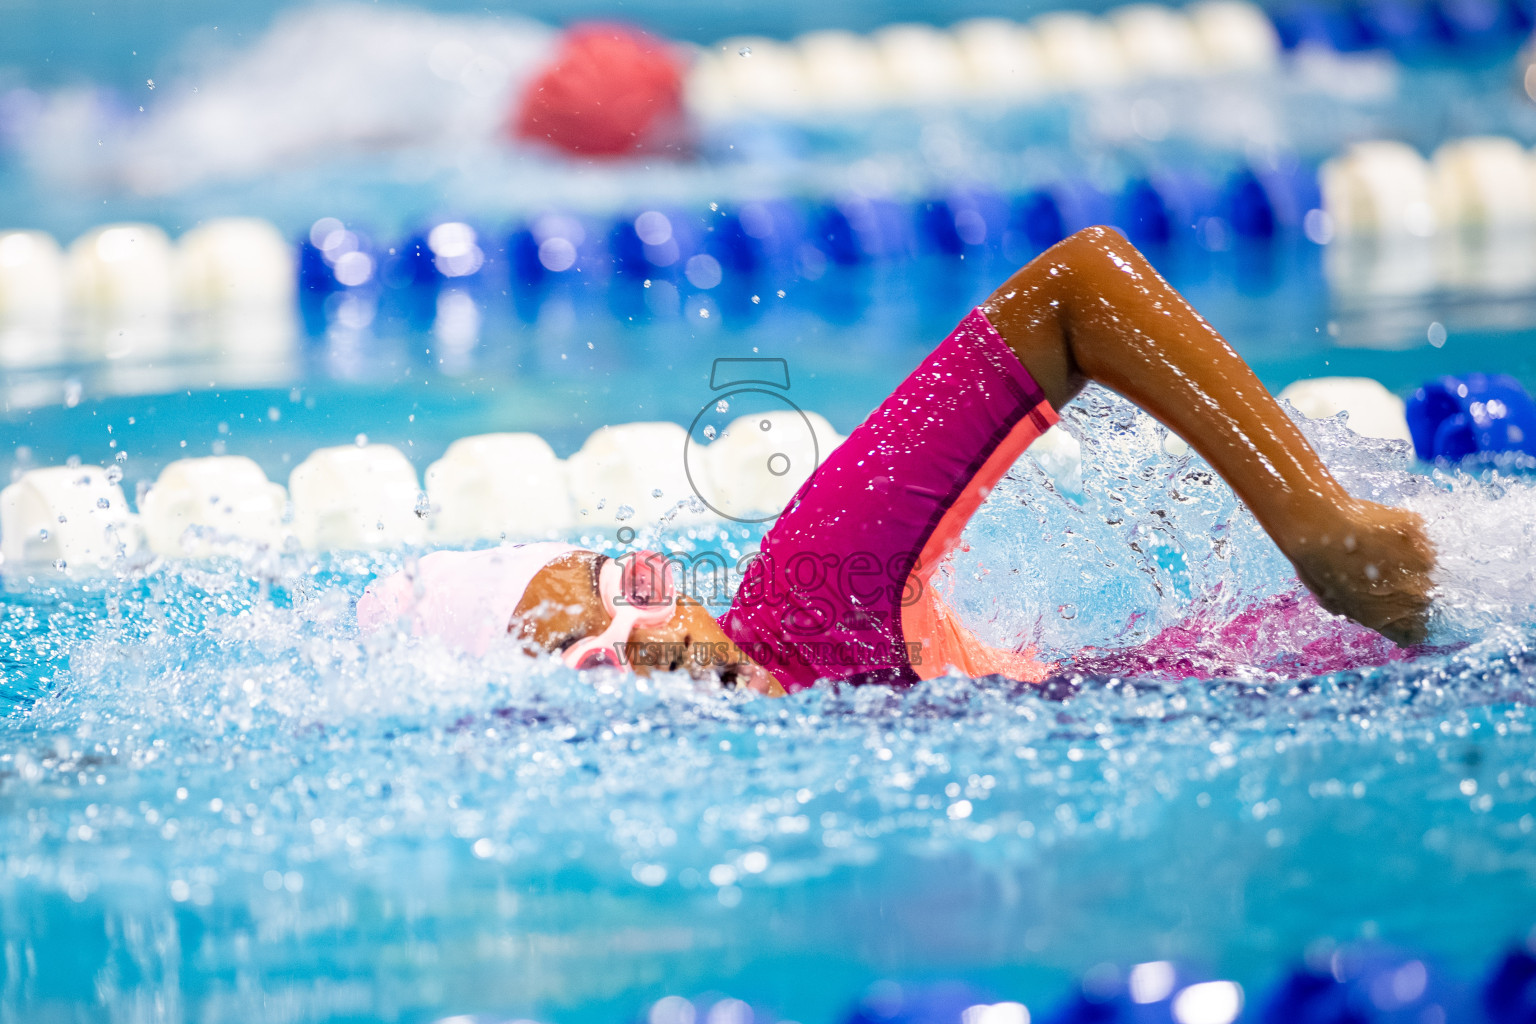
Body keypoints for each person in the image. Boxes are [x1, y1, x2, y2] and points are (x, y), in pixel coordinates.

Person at [358, 227, 1436, 696]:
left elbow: (1080, 287)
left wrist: (1315, 524)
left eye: (623, 585)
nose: (626, 642)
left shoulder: (817, 597)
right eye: (576, 658)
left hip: (1416, 634)